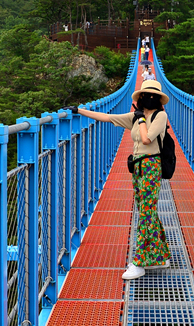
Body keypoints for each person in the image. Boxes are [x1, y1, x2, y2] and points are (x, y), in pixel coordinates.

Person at [71, 80, 171, 280]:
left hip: (152, 166)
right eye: (146, 95)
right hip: (138, 167)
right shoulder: (136, 116)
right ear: (140, 97)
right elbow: (108, 117)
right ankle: (160, 257)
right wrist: (79, 111)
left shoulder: (160, 116)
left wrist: (141, 120)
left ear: (159, 100)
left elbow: (147, 139)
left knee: (146, 213)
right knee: (146, 210)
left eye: (154, 96)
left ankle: (139, 263)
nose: (149, 98)